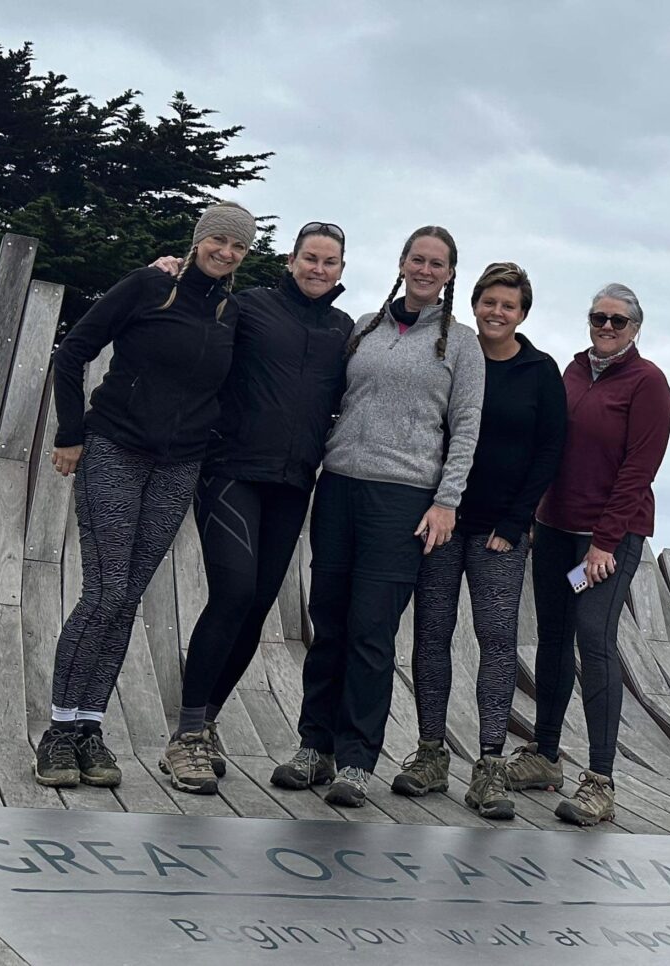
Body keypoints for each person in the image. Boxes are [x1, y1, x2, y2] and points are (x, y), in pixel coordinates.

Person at [35, 201, 256, 789]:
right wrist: (69, 433)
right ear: (198, 239)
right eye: (219, 240)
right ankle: (57, 731)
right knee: (104, 592)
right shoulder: (148, 285)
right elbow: (72, 351)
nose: (227, 252)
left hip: (179, 466)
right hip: (114, 450)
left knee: (128, 597)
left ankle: (89, 727)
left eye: (238, 246)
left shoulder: (234, 311)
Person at [271, 225, 486, 807]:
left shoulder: (462, 344)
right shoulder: (364, 327)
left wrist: (447, 501)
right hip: (339, 487)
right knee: (329, 623)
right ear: (402, 262)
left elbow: (466, 426)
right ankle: (314, 745)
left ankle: (357, 759)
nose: (425, 269)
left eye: (437, 264)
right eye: (417, 259)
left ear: (448, 275)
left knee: (371, 630)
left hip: (404, 498)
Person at [155, 222, 354, 795]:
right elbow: (196, 316)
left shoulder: (343, 330)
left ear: (342, 270)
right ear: (290, 260)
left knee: (260, 603)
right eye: (310, 258)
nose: (319, 269)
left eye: (330, 262)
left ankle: (205, 722)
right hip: (231, 472)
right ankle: (187, 732)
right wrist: (171, 269)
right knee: (234, 592)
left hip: (293, 483)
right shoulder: (248, 306)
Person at [391, 262, 566, 819]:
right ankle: (430, 752)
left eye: (508, 305)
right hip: (442, 522)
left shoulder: (541, 371)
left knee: (496, 643)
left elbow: (548, 453)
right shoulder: (453, 355)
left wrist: (514, 524)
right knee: (431, 636)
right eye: (488, 302)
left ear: (522, 314)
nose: (497, 312)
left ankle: (489, 764)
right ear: (474, 304)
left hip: (500, 532)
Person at [505, 283, 670, 826]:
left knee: (593, 637)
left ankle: (601, 780)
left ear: (635, 328)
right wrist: (532, 512)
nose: (606, 327)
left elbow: (638, 470)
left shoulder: (648, 384)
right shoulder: (572, 372)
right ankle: (545, 757)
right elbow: (549, 446)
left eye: (617, 321)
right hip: (554, 529)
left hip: (604, 541)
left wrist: (605, 541)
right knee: (552, 637)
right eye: (598, 317)